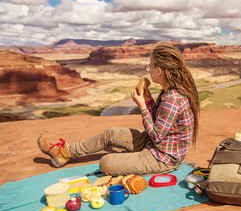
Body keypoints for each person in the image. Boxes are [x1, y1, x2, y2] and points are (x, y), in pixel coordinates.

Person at [38, 45, 200, 176]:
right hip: (156, 145)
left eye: (149, 66)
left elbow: (157, 135)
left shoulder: (173, 98)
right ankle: (65, 153)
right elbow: (160, 125)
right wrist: (149, 100)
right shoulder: (169, 92)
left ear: (159, 71)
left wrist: (142, 105)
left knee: (106, 163)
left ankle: (135, 161)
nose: (148, 70)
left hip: (163, 158)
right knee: (111, 133)